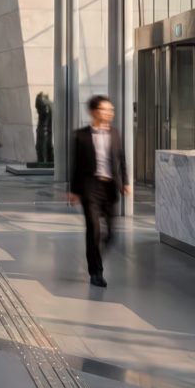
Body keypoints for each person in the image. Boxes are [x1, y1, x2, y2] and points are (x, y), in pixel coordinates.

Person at [68, 95, 128, 288]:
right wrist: (74, 190)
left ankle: (95, 254)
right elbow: (75, 165)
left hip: (110, 188)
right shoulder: (81, 135)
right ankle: (96, 272)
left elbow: (122, 159)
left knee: (110, 234)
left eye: (111, 110)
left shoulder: (115, 133)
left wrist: (125, 182)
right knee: (93, 229)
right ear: (94, 112)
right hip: (90, 188)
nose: (110, 113)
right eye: (106, 109)